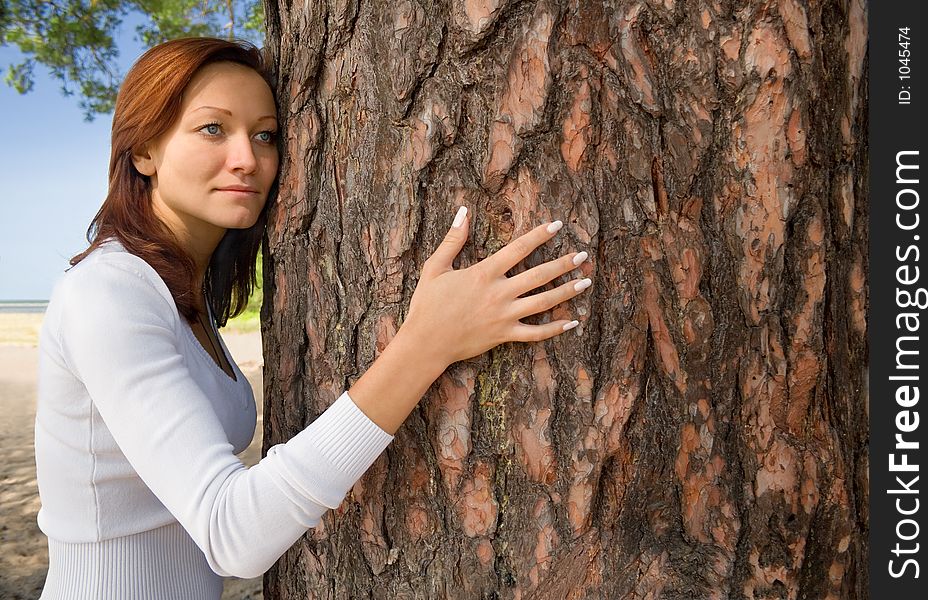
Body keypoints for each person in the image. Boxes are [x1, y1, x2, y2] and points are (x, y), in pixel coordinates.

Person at [33, 37, 592, 600]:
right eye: (212, 129)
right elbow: (234, 534)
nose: (247, 159)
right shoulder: (108, 293)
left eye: (265, 135)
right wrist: (426, 344)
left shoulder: (179, 293)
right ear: (143, 151)